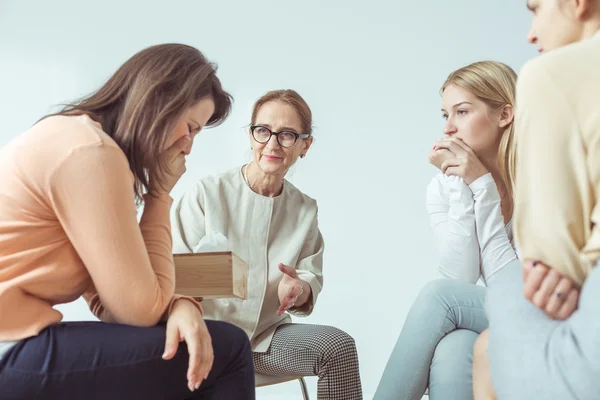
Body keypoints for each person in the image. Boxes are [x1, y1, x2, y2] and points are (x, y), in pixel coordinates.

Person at [0, 43, 255, 400]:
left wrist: (180, 304)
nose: (188, 147)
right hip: (10, 346)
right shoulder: (91, 154)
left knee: (183, 346)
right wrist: (160, 195)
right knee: (230, 351)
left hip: (15, 341)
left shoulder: (76, 138)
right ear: (161, 99)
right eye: (191, 127)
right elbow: (139, 310)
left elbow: (114, 302)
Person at [172, 89, 363, 400]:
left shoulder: (305, 209)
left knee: (336, 347)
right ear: (250, 136)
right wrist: (222, 274)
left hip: (265, 340)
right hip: (207, 335)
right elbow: (173, 278)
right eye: (263, 131)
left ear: (305, 144)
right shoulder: (206, 194)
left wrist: (300, 290)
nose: (272, 144)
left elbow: (307, 280)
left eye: (287, 134)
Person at [474, 0, 600, 398]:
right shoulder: (447, 184)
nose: (531, 33)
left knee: (507, 285)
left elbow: (548, 258)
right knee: (469, 344)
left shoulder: (551, 75)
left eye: (536, 8)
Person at [374, 61, 518, 400]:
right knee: (457, 345)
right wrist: (462, 185)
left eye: (462, 111)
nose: (449, 128)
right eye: (445, 115)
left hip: (553, 311)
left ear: (504, 114)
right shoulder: (442, 188)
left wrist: (482, 186)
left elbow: (512, 292)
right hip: (506, 312)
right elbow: (461, 277)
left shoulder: (538, 174)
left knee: (437, 295)